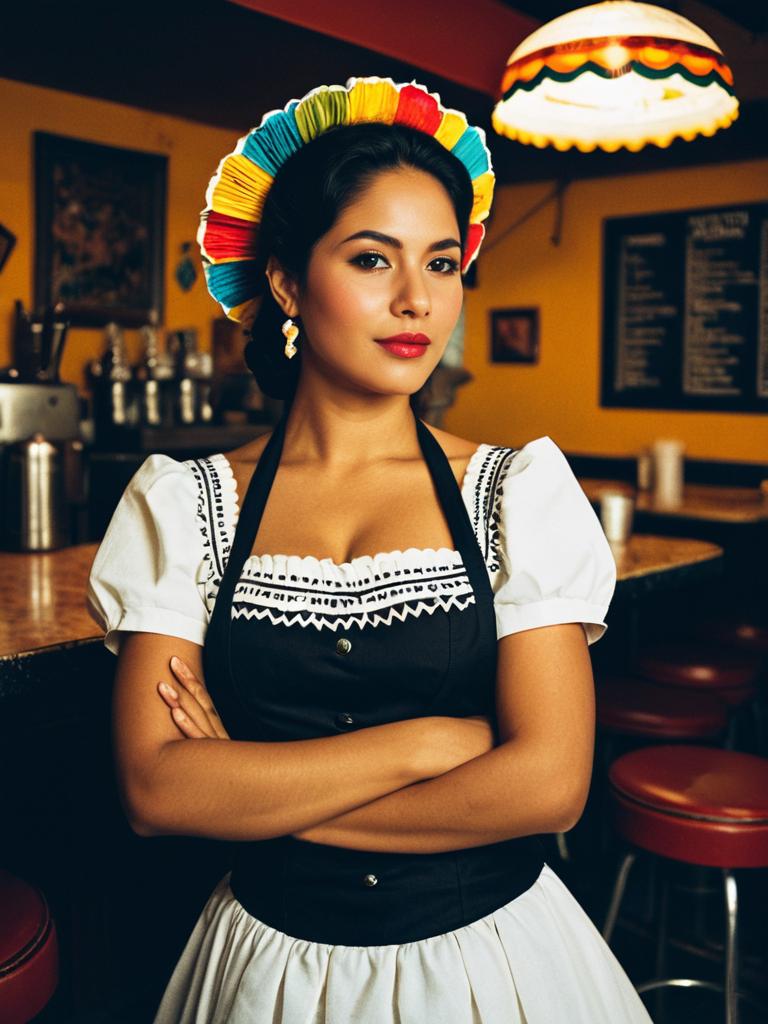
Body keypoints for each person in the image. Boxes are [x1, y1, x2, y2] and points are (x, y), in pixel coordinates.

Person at [87, 77, 653, 1023]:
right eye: (370, 258)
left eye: (442, 263)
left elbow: (550, 788)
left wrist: (257, 793)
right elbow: (156, 789)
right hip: (271, 966)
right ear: (285, 282)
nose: (416, 300)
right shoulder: (185, 505)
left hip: (490, 960)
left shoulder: (515, 492)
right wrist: (428, 745)